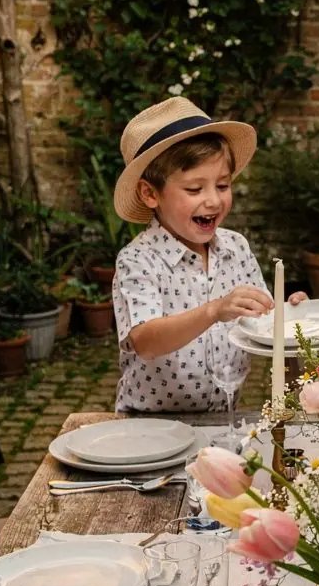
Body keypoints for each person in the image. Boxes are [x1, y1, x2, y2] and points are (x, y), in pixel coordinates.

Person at [113, 96, 305, 414]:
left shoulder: (236, 247)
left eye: (223, 185)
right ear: (150, 193)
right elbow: (146, 341)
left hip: (222, 418)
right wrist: (214, 310)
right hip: (150, 424)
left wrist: (290, 314)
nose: (213, 201)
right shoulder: (138, 260)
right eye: (194, 189)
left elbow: (261, 319)